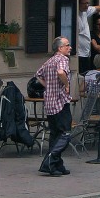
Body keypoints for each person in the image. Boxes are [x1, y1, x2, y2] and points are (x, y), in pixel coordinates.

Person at [36, 37, 74, 176]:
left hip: (49, 103)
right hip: (60, 101)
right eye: (67, 45)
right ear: (60, 48)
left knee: (55, 134)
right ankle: (50, 162)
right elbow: (60, 72)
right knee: (65, 133)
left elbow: (38, 74)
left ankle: (57, 165)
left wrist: (48, 87)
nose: (70, 47)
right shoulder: (62, 59)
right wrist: (66, 84)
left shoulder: (49, 61)